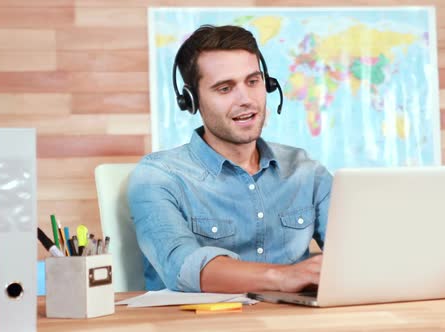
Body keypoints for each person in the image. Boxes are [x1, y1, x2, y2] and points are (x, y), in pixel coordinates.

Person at [127, 25, 332, 293]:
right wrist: (283, 276)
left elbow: (357, 254)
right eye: (225, 88)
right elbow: (183, 268)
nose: (246, 99)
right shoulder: (159, 177)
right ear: (191, 100)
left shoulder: (307, 171)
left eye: (253, 81)